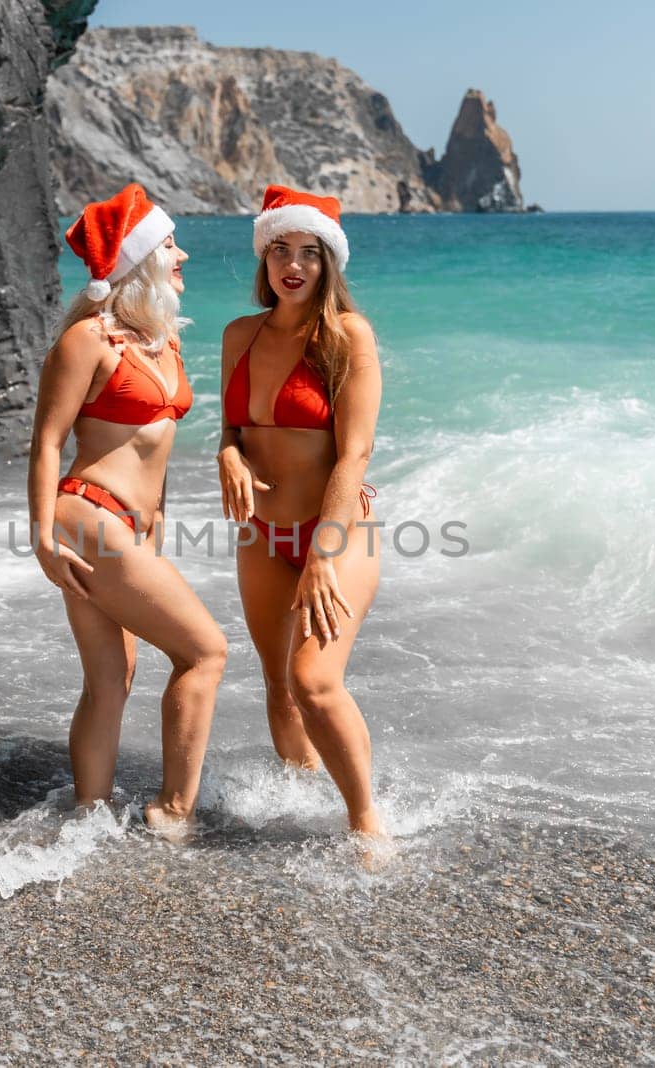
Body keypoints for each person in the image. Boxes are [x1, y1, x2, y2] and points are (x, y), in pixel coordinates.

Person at [28, 183, 226, 838]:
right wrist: (40, 539)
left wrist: (159, 524)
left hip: (130, 527)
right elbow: (48, 441)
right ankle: (172, 813)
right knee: (205, 651)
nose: (184, 255)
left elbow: (155, 450)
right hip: (88, 514)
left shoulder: (162, 341)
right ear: (140, 259)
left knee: (113, 675)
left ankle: (89, 816)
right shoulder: (90, 340)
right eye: (170, 245)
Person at [217, 185, 386, 840]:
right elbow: (232, 430)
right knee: (279, 687)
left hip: (336, 535)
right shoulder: (239, 334)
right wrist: (229, 458)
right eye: (280, 250)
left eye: (309, 253)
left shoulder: (347, 335)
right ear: (264, 258)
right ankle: (305, 802)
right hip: (262, 534)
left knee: (314, 681)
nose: (293, 265)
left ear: (328, 263)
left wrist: (323, 555)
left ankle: (367, 821)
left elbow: (356, 454)